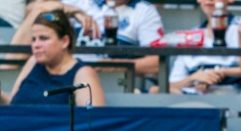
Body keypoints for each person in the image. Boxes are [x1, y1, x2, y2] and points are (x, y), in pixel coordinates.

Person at [10, 0, 163, 77]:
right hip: (61, 75)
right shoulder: (80, 2)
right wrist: (75, 12)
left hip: (113, 82)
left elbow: (157, 62)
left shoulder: (144, 11)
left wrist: (111, 65)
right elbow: (34, 8)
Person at [1, 9, 104, 105]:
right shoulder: (33, 62)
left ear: (64, 41)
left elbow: (93, 120)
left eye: (43, 38)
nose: (36, 45)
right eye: (33, 39)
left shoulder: (82, 73)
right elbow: (13, 105)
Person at [169, 0, 241, 95]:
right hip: (192, 102)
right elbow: (171, 85)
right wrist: (193, 79)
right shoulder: (190, 36)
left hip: (234, 103)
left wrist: (219, 73)